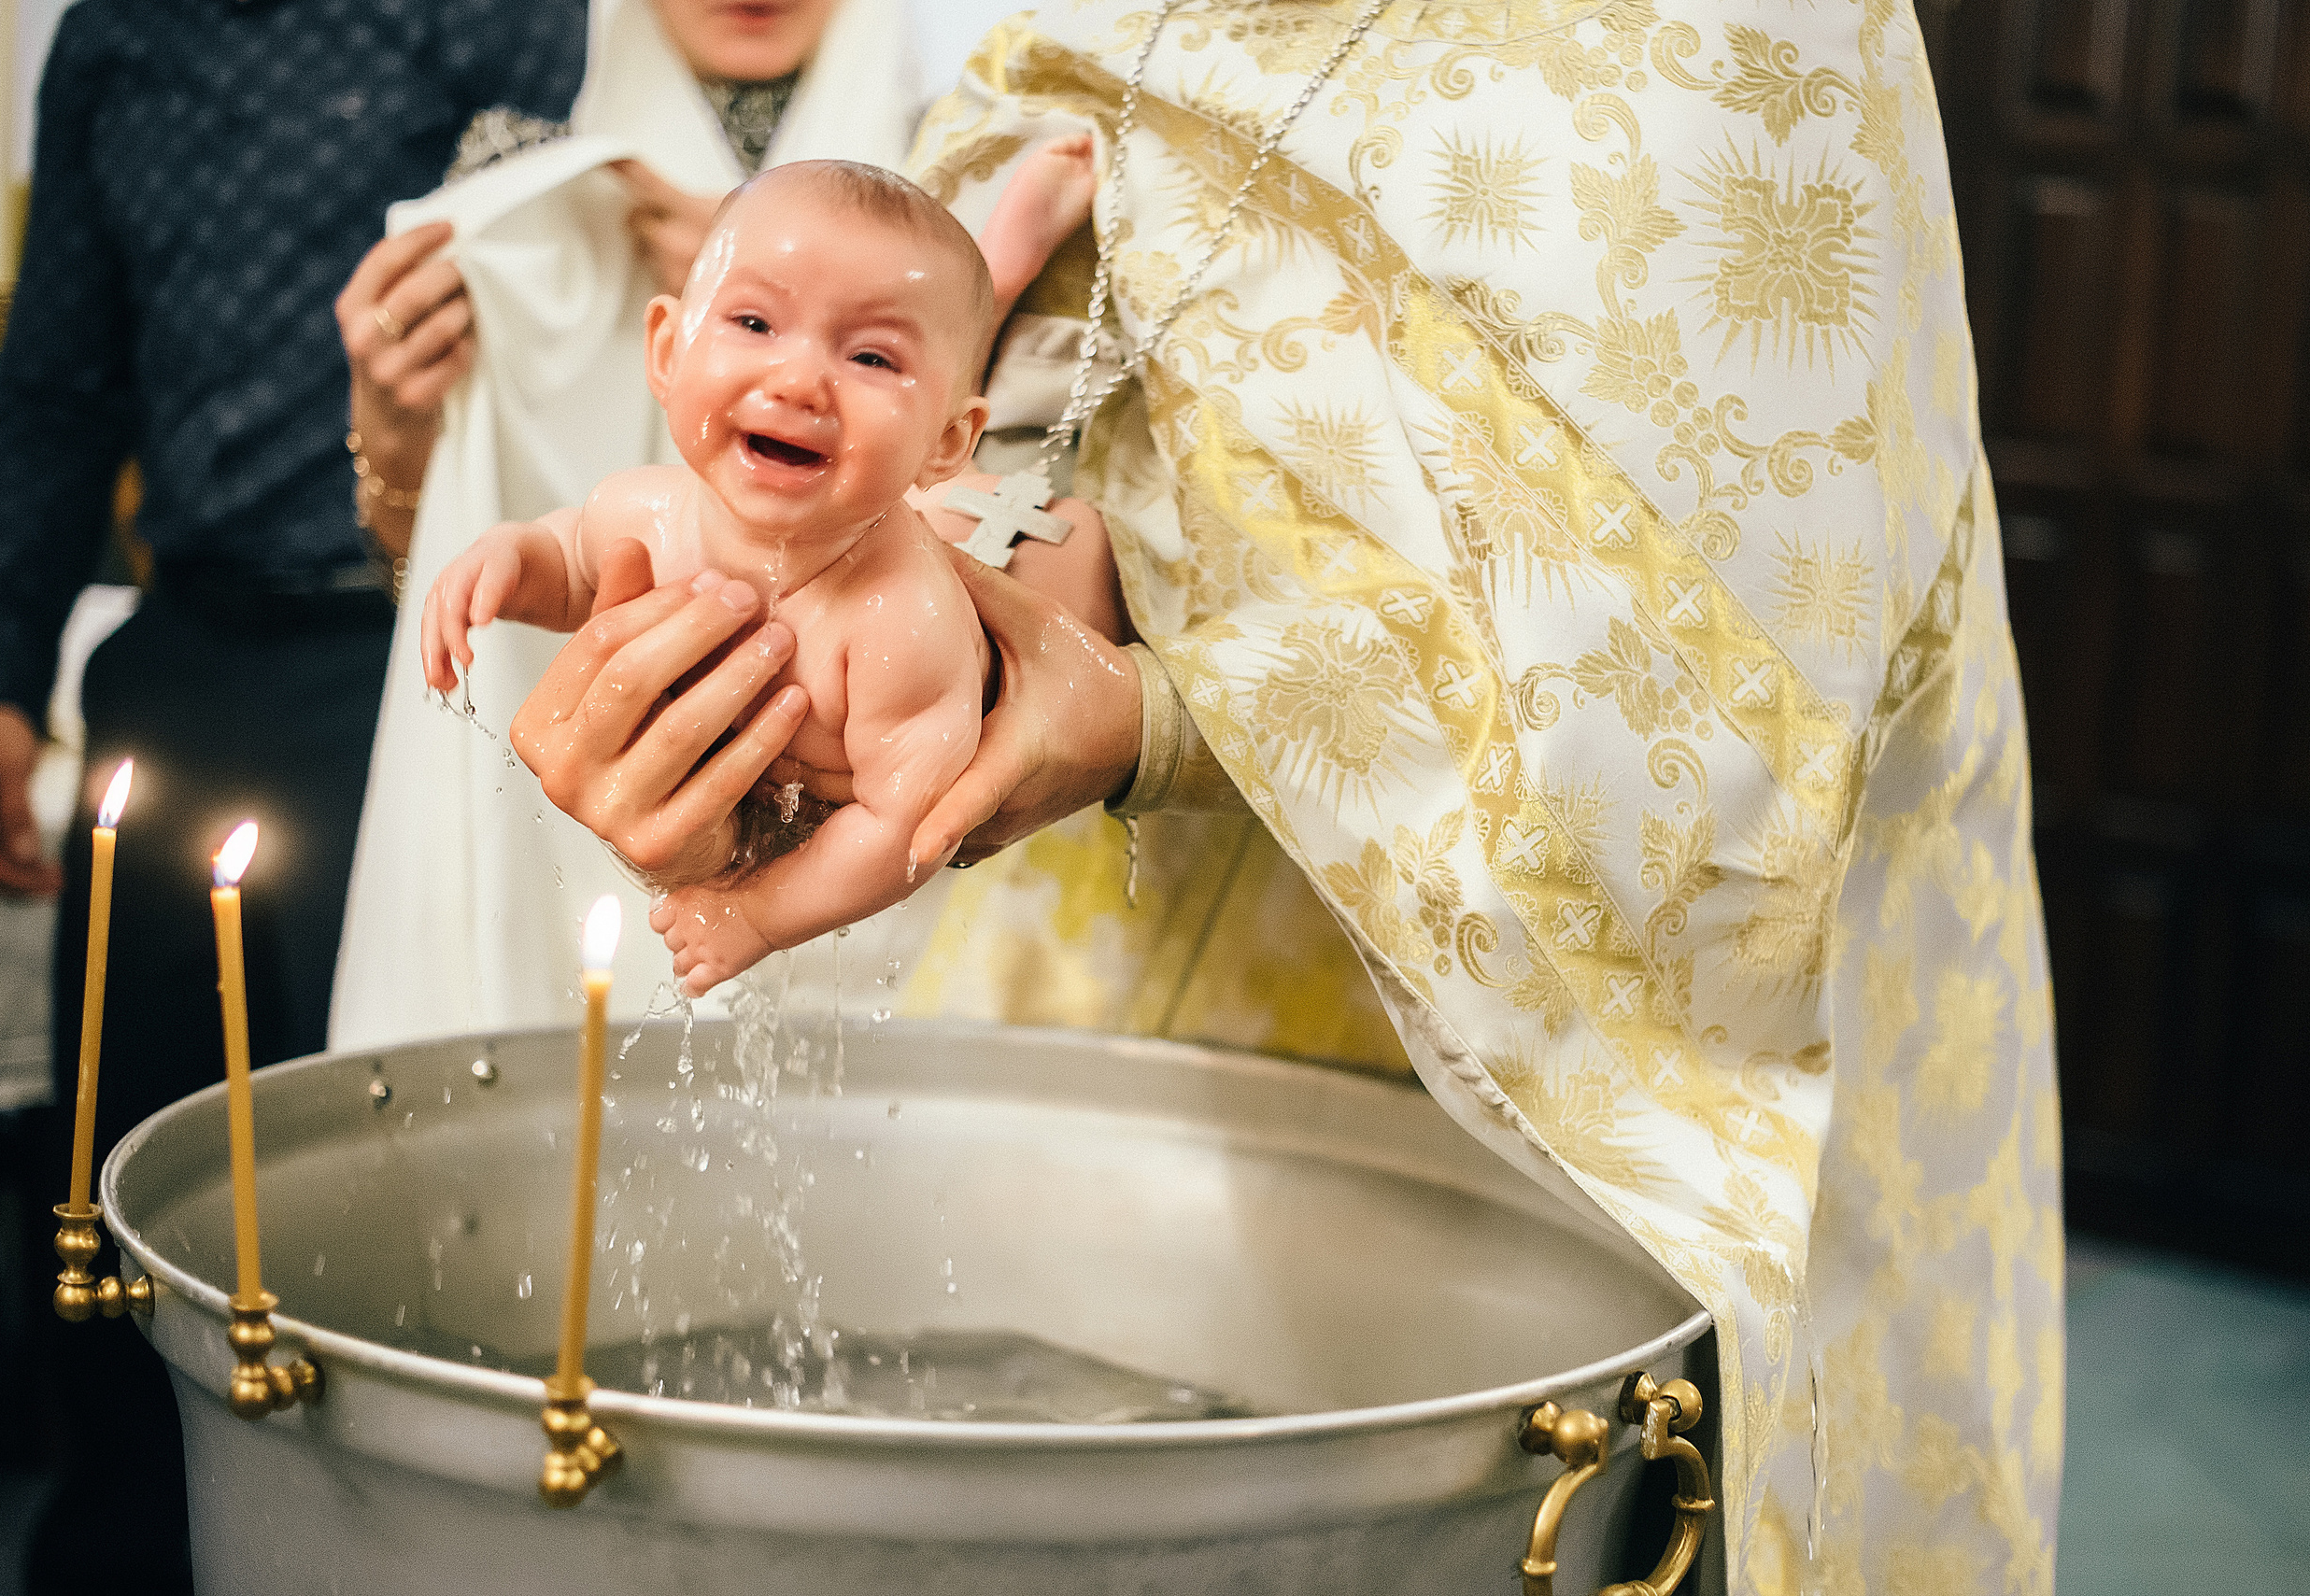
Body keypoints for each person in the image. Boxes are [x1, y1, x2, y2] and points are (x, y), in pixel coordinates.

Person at [514, 2, 2065, 1589]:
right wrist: (836, 655)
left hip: (1593, 1074)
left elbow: (1731, 721)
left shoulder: (1739, 45)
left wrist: (1156, 718)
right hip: (1120, 969)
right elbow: (1063, 378)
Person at [0, 4, 591, 1588]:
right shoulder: (109, 40)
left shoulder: (494, 15)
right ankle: (124, 1538)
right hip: (190, 642)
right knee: (132, 1157)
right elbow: (57, 369)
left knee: (387, 1174)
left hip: (421, 645)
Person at [331, 0, 955, 1046]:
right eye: (751, 319)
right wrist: (396, 452)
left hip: (864, 823)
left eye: (870, 346)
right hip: (548, 800)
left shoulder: (964, 169)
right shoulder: (523, 179)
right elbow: (491, 551)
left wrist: (775, 283)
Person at [424, 162, 1012, 990]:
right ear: (666, 350)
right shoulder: (646, 510)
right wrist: (511, 561)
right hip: (689, 847)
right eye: (755, 322)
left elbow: (907, 827)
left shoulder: (901, 618)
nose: (799, 379)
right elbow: (576, 569)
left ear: (949, 441)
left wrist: (760, 916)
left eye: (873, 357)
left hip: (846, 932)